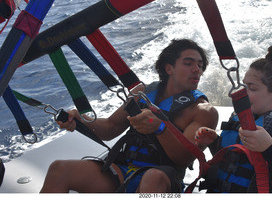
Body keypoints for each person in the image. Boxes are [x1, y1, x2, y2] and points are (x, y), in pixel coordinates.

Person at [40, 39, 218, 193]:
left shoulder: (203, 111)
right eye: (189, 63)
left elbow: (183, 157)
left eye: (200, 65)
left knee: (152, 178)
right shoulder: (143, 92)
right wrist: (80, 119)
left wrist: (160, 128)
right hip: (123, 170)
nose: (197, 70)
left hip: (164, 180)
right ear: (169, 68)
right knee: (59, 169)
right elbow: (111, 127)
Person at [195, 44, 272, 193]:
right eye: (244, 86)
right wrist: (214, 143)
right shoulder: (239, 118)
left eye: (252, 88)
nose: (243, 93)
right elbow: (234, 166)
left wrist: (269, 148)